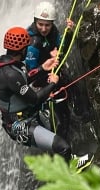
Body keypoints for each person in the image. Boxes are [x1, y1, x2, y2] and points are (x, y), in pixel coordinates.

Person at [0, 27, 93, 172]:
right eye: (27, 47)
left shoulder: (8, 65)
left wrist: (43, 68)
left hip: (27, 117)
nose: (28, 50)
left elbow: (22, 81)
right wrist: (53, 83)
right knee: (63, 147)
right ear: (21, 49)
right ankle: (69, 182)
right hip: (19, 125)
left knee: (57, 141)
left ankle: (64, 168)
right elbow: (35, 98)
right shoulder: (9, 74)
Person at [25, 1, 74, 141]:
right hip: (42, 83)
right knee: (60, 118)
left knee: (66, 111)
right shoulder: (32, 43)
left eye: (47, 24)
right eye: (40, 24)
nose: (44, 28)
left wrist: (69, 33)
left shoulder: (54, 32)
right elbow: (31, 73)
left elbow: (62, 48)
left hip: (53, 74)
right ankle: (60, 148)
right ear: (35, 22)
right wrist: (47, 85)